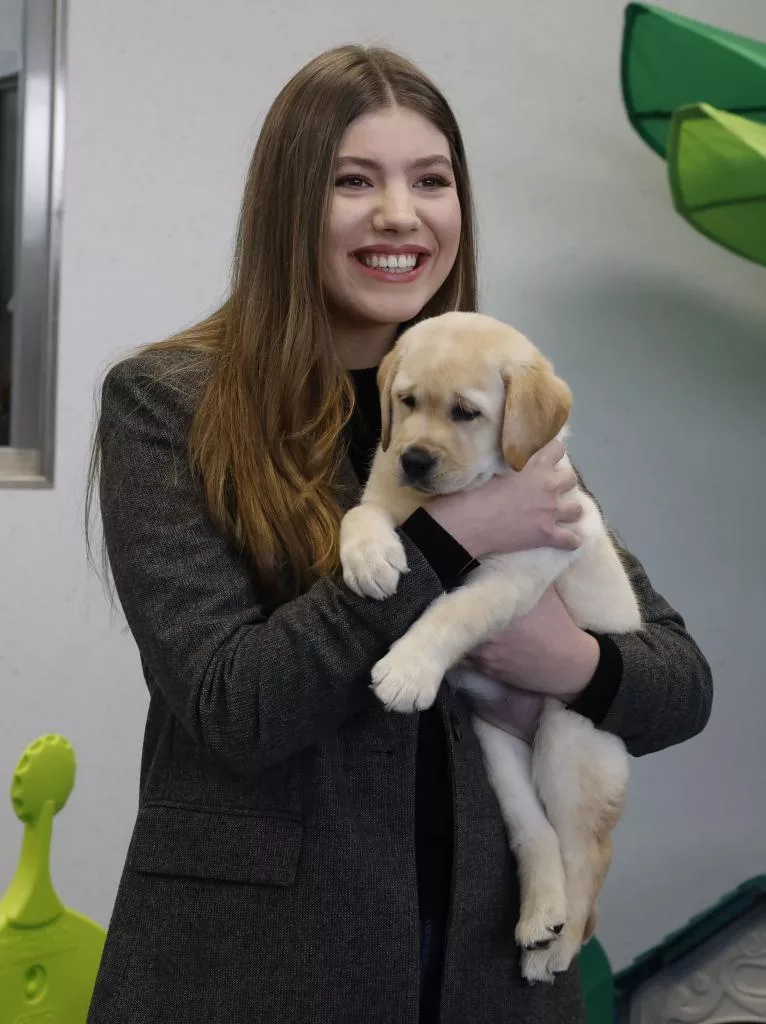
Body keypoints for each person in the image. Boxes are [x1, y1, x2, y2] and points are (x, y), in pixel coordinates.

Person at [85, 46, 713, 1024]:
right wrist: (450, 540)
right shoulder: (169, 403)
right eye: (352, 181)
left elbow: (680, 685)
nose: (398, 215)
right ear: (288, 204)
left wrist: (567, 660)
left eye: (430, 180)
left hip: (485, 965)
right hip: (254, 965)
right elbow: (234, 706)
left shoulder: (496, 407)